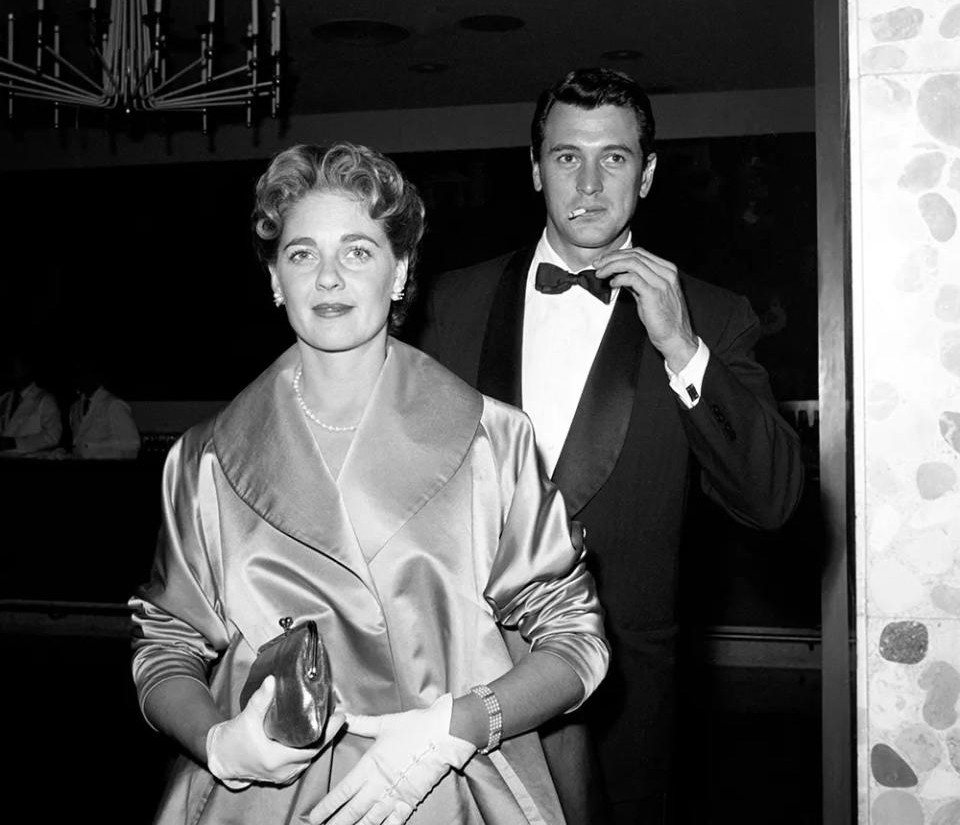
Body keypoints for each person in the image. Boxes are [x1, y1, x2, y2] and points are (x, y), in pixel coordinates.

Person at [129, 142, 609, 825]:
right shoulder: (204, 457)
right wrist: (217, 741)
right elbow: (165, 644)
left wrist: (456, 726)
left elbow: (575, 643)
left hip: (447, 788)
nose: (328, 278)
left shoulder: (490, 439)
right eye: (301, 254)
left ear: (400, 270)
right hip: (262, 800)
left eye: (357, 251)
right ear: (274, 278)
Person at [418, 67, 805, 824]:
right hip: (461, 685)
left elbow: (774, 500)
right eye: (567, 157)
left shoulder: (713, 316)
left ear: (648, 173)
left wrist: (682, 346)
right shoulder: (450, 302)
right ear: (534, 168)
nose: (590, 184)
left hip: (624, 698)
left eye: (615, 158)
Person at [68, 363, 141, 459]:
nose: (81, 378)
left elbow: (133, 444)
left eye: (86, 373)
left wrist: (94, 447)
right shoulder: (75, 407)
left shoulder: (114, 405)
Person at [0, 353, 62, 454]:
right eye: (9, 364)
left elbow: (53, 436)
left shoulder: (45, 399)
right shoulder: (4, 399)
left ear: (27, 369)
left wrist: (15, 443)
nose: (10, 368)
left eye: (14, 364)